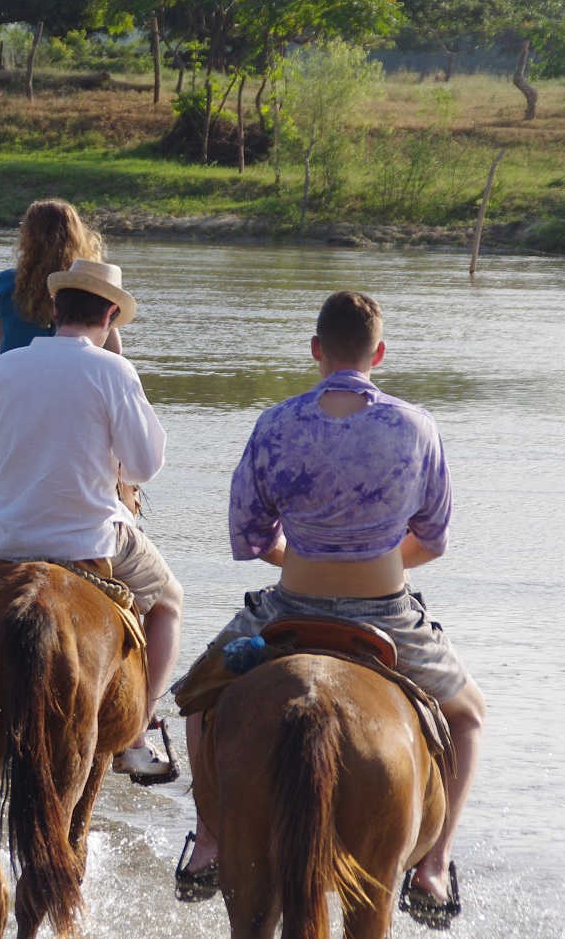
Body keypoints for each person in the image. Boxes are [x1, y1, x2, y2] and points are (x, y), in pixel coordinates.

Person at [173, 290, 485, 918]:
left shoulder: (276, 424)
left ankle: (208, 840)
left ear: (316, 350)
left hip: (291, 606)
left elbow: (250, 537)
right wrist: (379, 557)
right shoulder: (417, 426)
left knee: (197, 698)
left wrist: (309, 555)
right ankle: (433, 865)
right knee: (470, 716)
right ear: (380, 353)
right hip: (387, 614)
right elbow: (434, 539)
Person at [0, 259, 183, 778]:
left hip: (3, 535)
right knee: (170, 604)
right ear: (110, 315)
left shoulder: (7, 366)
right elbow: (144, 466)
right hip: (92, 539)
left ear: (54, 307)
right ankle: (136, 734)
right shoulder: (115, 370)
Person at [0, 198, 120, 535]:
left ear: (27, 237)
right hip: (79, 396)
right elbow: (113, 352)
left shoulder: (6, 283)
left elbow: (0, 344)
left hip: (16, 394)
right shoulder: (86, 289)